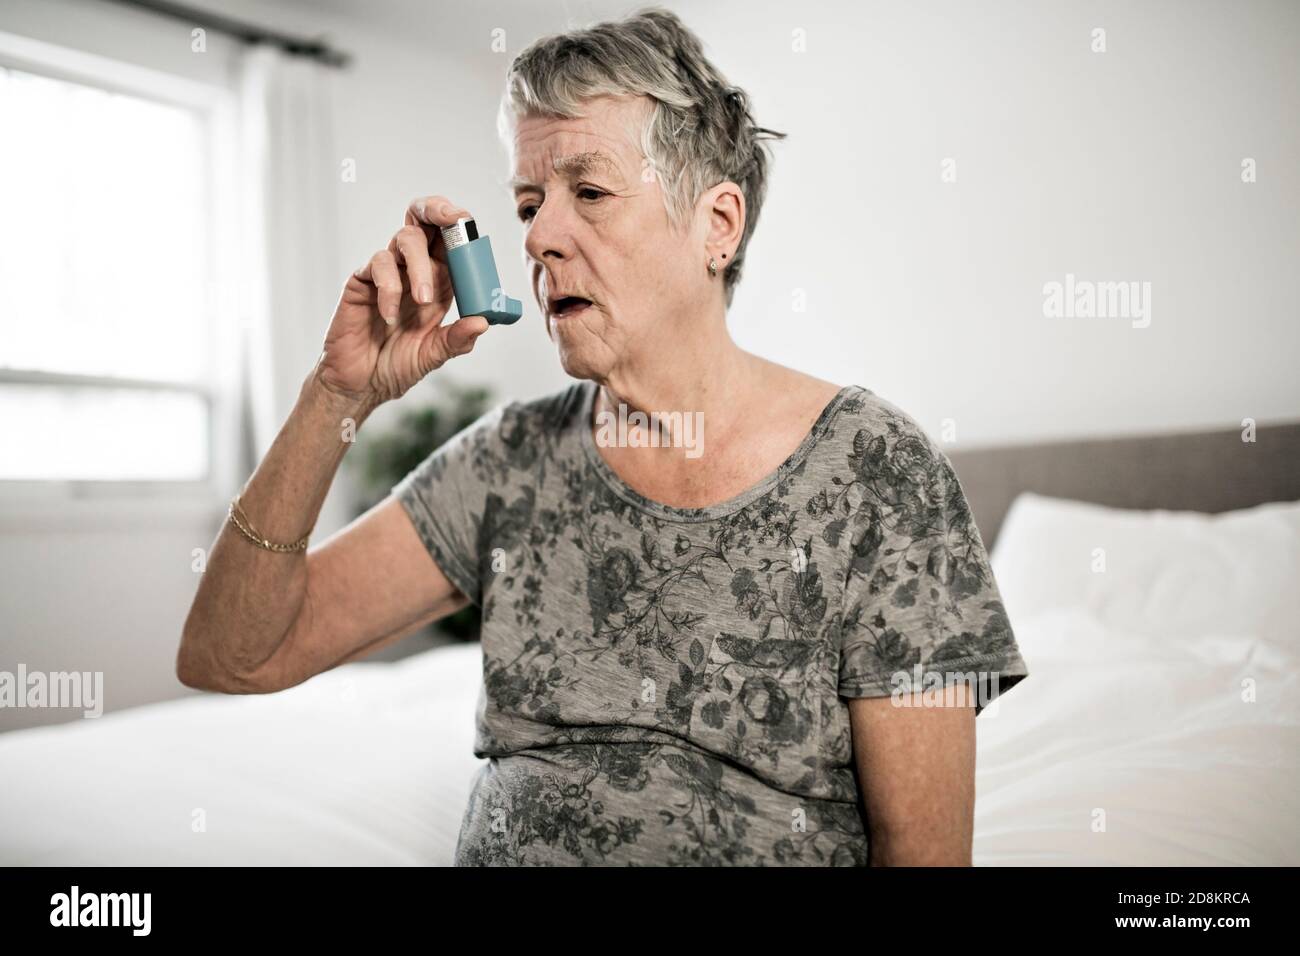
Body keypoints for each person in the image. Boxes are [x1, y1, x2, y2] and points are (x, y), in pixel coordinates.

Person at [179, 7, 1029, 866]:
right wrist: (338, 394)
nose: (542, 238)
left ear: (717, 226)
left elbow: (923, 856)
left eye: (589, 191)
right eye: (528, 203)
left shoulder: (878, 472)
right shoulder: (508, 461)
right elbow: (234, 656)